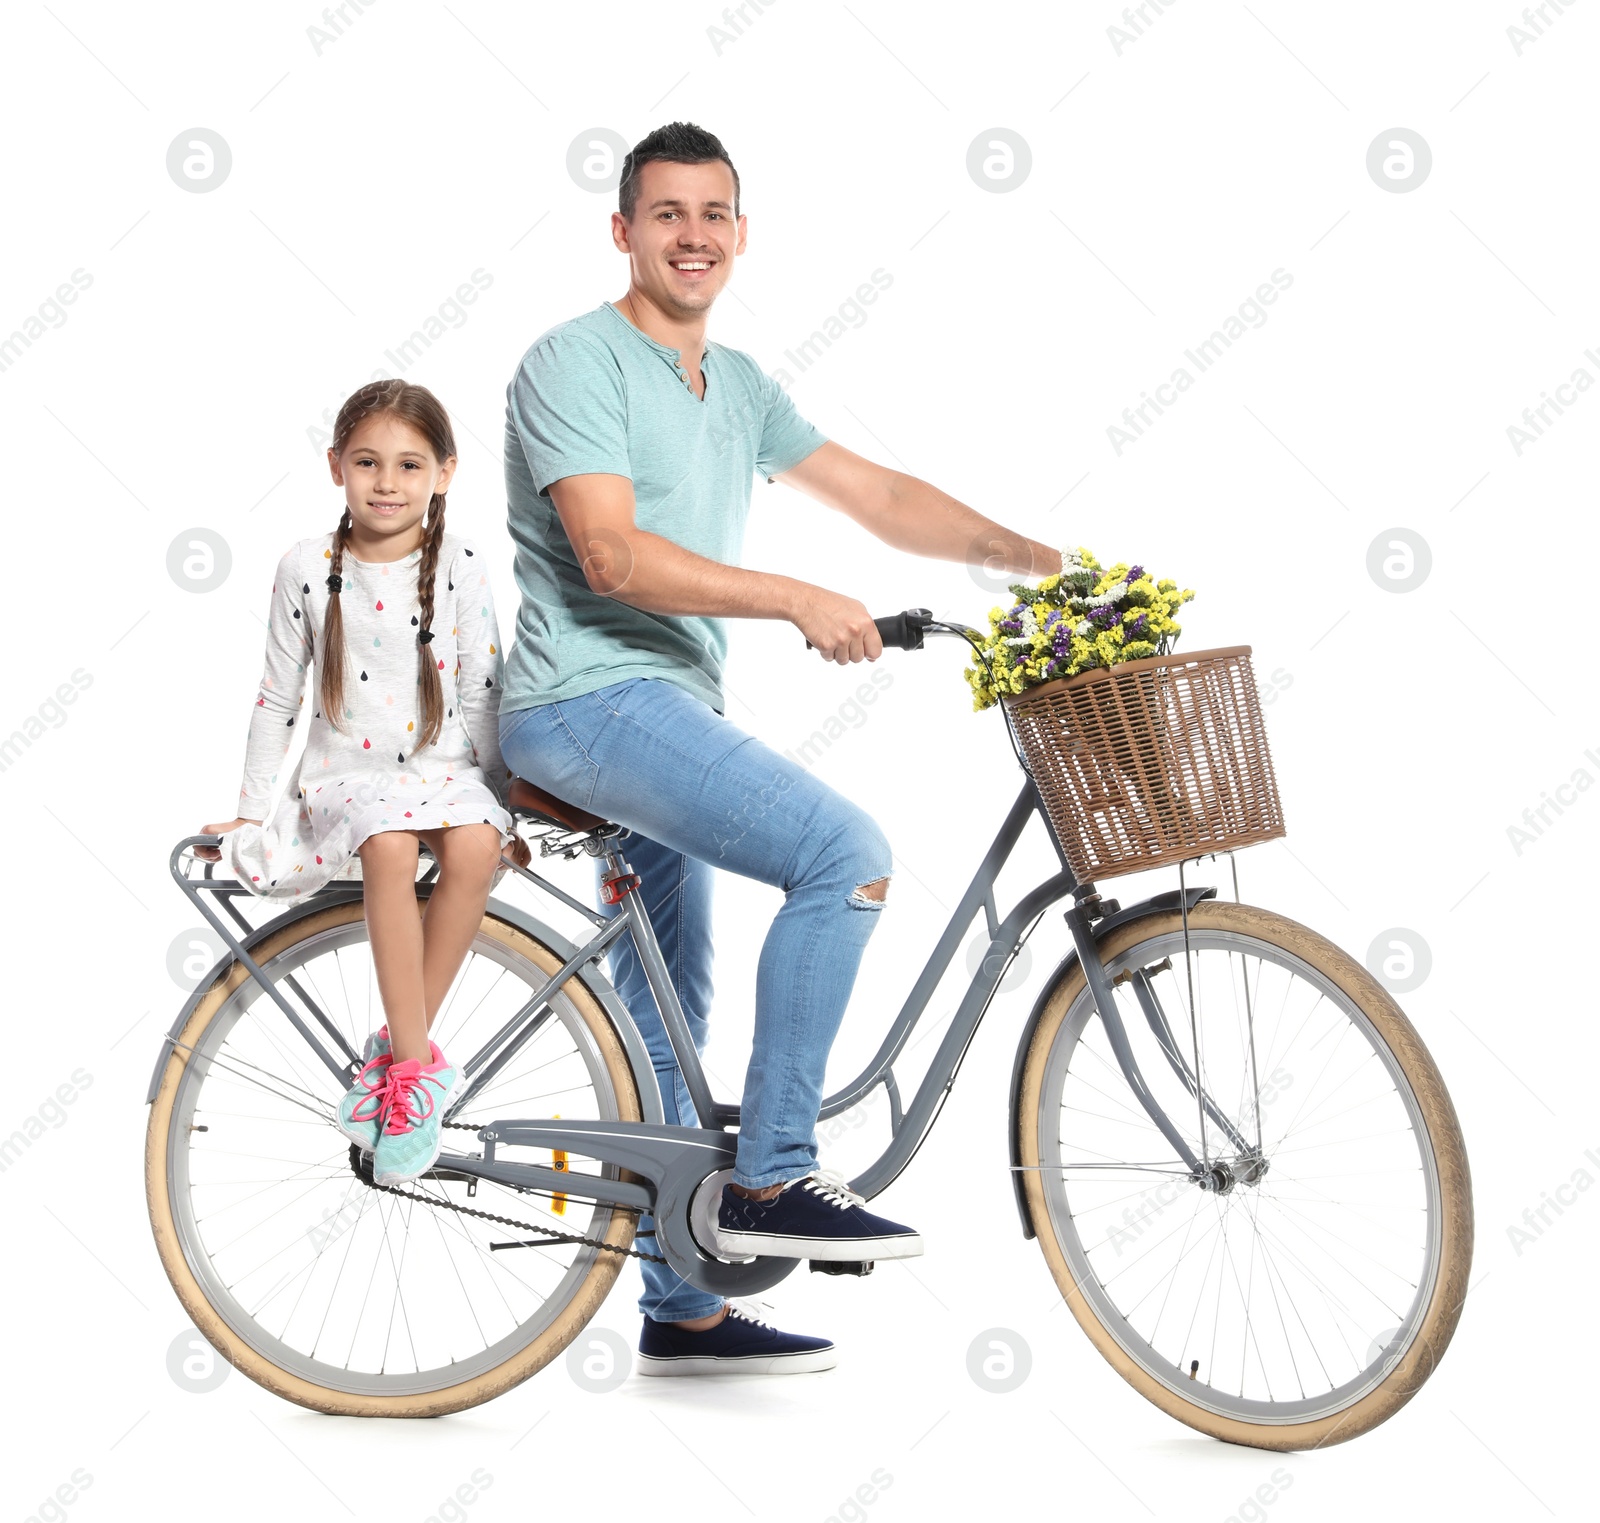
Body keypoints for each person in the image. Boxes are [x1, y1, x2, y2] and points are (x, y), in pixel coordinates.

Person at [497, 122, 1060, 1376]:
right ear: (623, 231)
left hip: (664, 713)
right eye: (666, 214)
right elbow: (612, 556)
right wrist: (799, 595)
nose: (691, 236)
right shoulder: (573, 362)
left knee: (667, 1017)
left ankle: (682, 1306)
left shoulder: (736, 384)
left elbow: (883, 497)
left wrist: (1046, 563)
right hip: (588, 702)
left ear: (740, 235)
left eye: (713, 215)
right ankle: (774, 1177)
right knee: (843, 852)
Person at [200, 379, 530, 1187]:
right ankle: (418, 1074)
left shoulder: (460, 564)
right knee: (386, 844)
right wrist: (248, 815)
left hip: (443, 766)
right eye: (369, 462)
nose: (388, 482)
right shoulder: (307, 568)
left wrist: (504, 799)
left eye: (410, 465)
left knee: (475, 846)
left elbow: (484, 691)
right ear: (336, 466)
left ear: (445, 472)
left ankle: (396, 1054)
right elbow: (277, 699)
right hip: (349, 775)